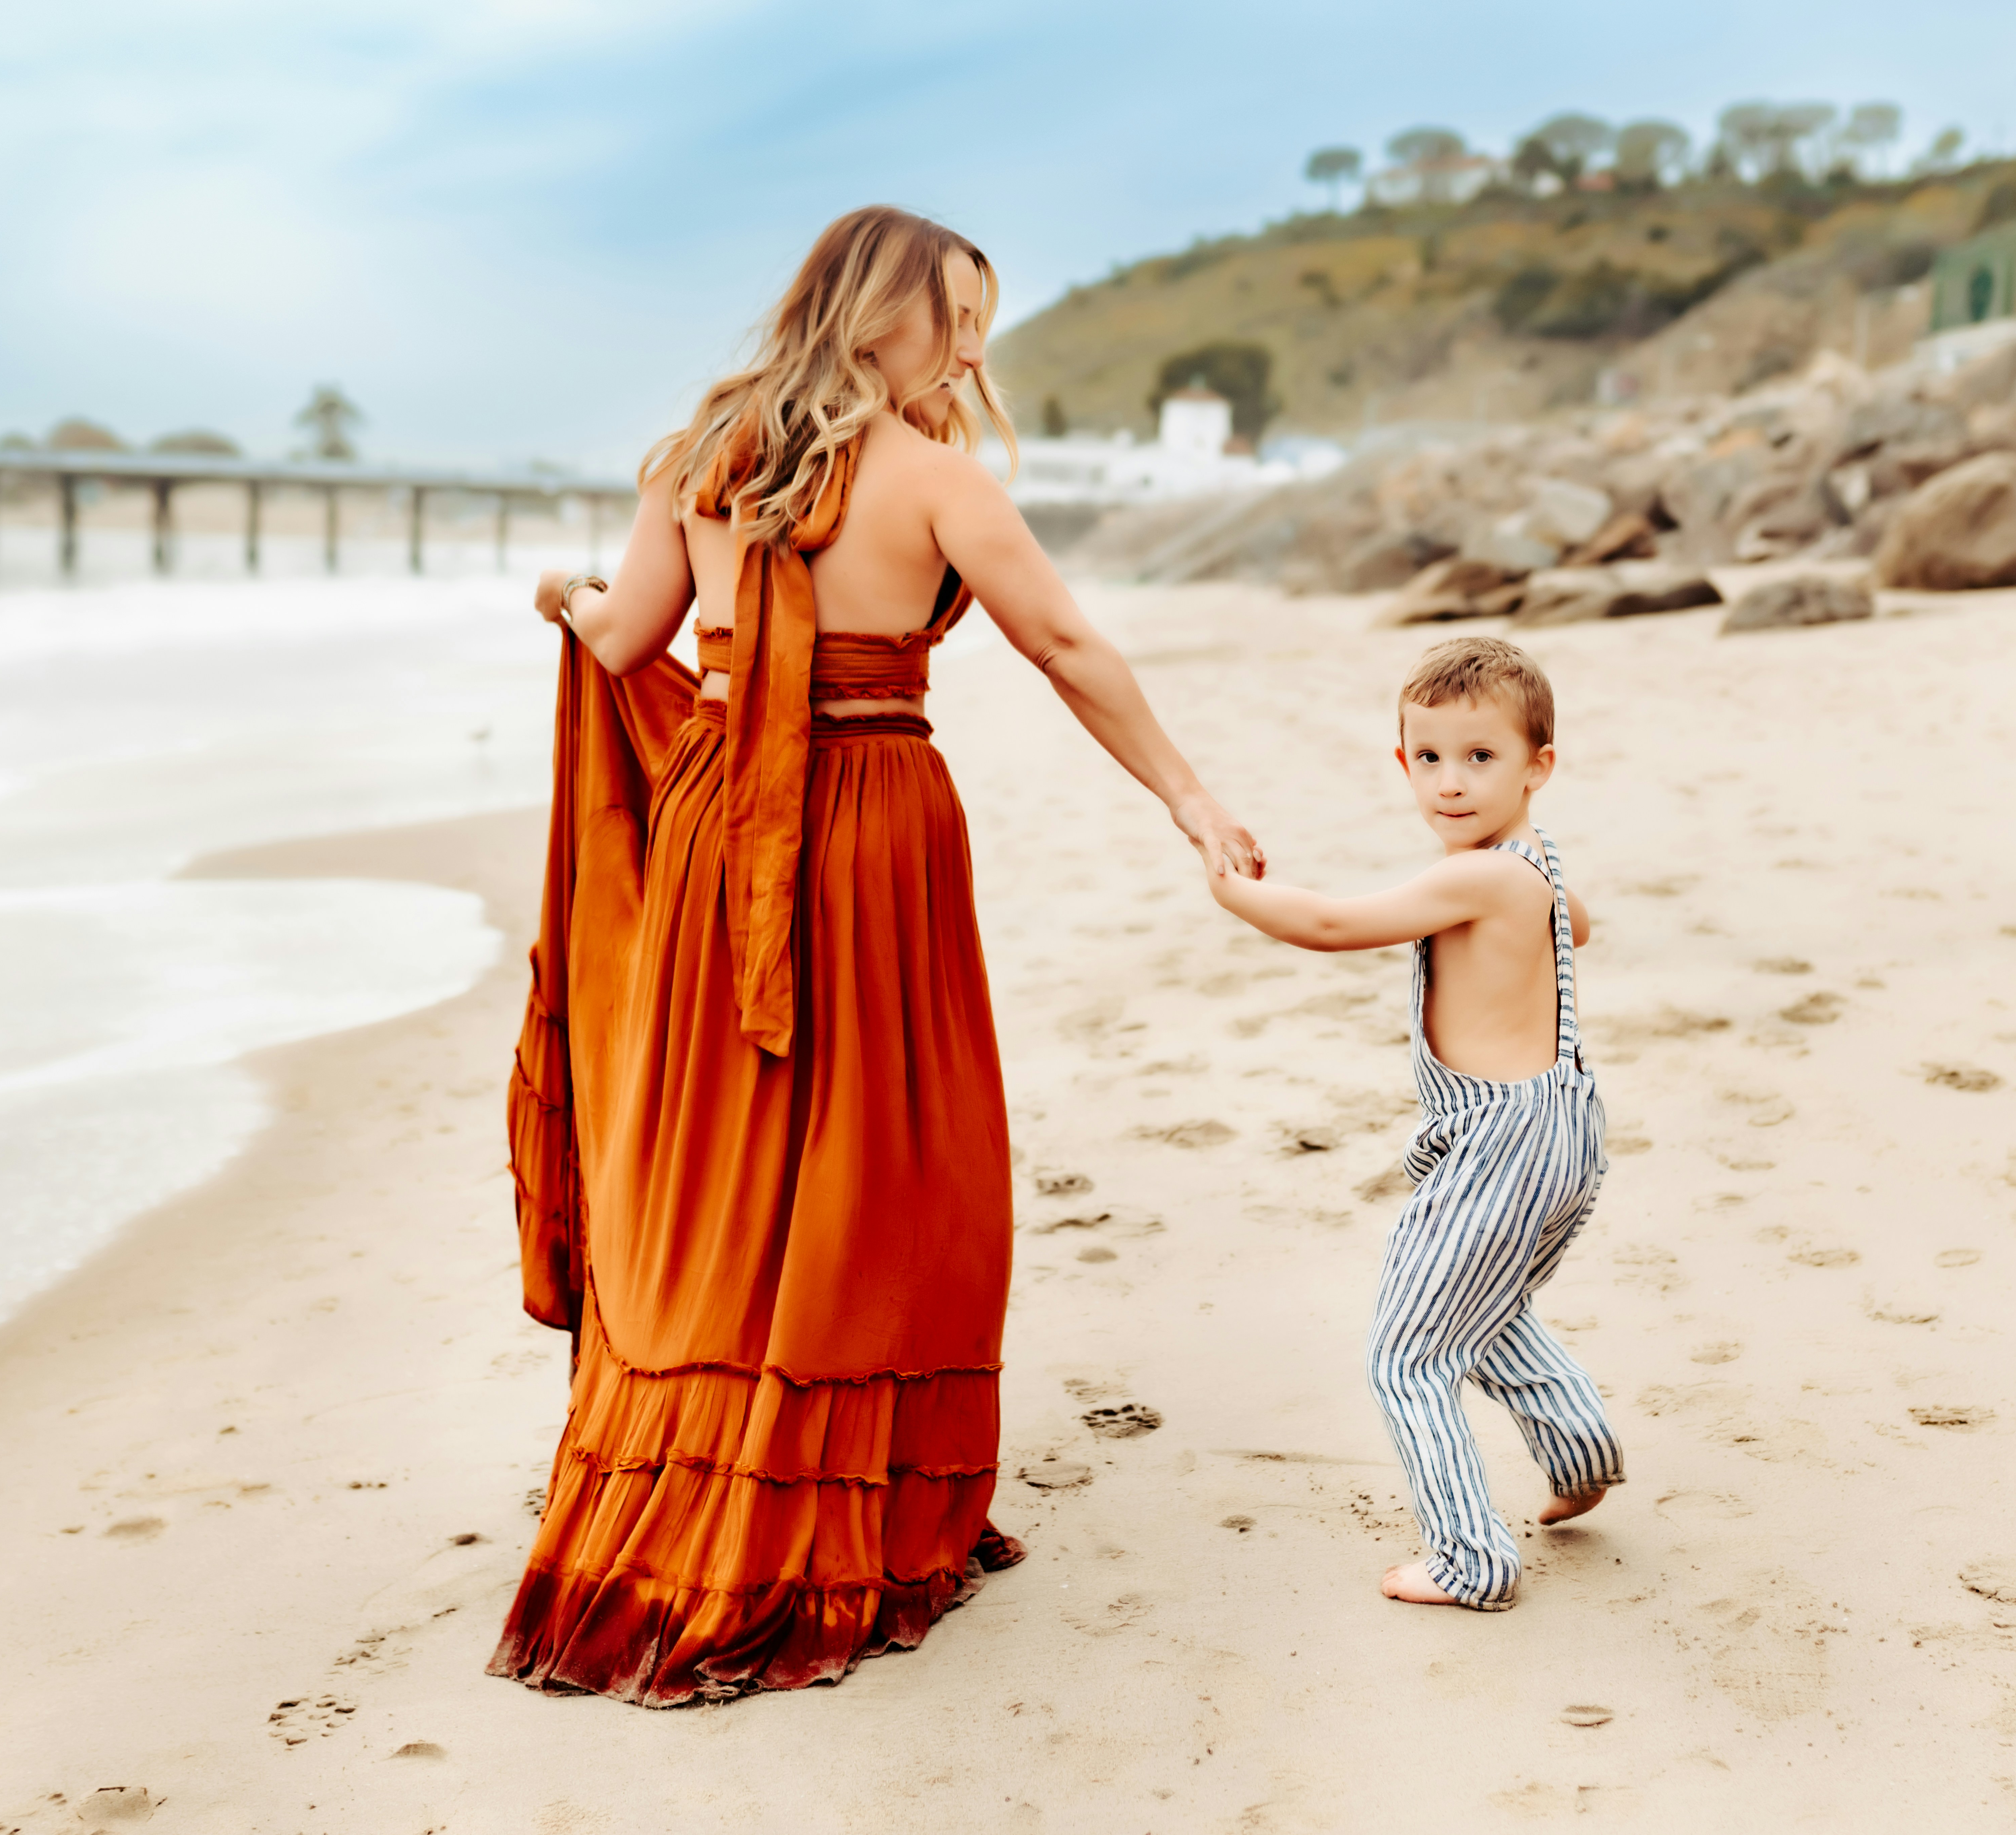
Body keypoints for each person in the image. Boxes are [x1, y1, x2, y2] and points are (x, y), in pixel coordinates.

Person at [491, 205, 1261, 1704]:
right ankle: (840, 1500)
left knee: (728, 1154)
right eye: (956, 320)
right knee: (883, 1153)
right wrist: (1188, 791)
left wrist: (565, 597)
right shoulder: (936, 478)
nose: (973, 354)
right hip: (873, 822)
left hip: (725, 824)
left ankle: (699, 1484)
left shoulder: (692, 459)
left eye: (985, 325)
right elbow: (1069, 648)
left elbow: (628, 638)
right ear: (873, 316)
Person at [1202, 636, 1622, 1611]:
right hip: (1560, 1126)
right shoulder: (1534, 866)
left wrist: (1234, 889)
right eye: (1430, 758)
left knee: (1409, 1351)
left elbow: (1335, 924)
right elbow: (1580, 925)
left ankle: (1472, 1559)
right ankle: (1582, 1449)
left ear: (1537, 766)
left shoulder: (1478, 878)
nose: (1452, 782)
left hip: (1500, 1145)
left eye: (1482, 758)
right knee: (1487, 1309)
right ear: (1403, 763)